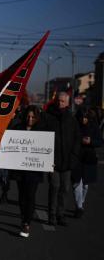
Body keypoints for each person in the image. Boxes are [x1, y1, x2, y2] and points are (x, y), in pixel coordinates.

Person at [9, 105, 46, 237]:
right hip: (20, 169)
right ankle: (23, 216)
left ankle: (26, 223)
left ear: (37, 118)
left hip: (34, 170)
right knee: (21, 196)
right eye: (28, 116)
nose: (30, 119)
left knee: (30, 196)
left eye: (33, 117)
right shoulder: (17, 128)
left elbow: (46, 150)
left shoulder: (42, 130)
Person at [45, 91, 80, 226]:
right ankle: (52, 215)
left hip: (67, 162)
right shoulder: (49, 117)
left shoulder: (72, 119)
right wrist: (46, 159)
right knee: (54, 187)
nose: (60, 103)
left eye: (63, 101)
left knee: (64, 189)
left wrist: (74, 157)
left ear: (67, 103)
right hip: (52, 161)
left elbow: (77, 140)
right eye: (58, 101)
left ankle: (61, 214)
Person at [72, 109, 101, 218]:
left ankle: (81, 202)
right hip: (77, 157)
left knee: (85, 185)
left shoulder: (94, 126)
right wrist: (80, 140)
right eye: (81, 117)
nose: (83, 119)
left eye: (85, 117)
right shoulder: (75, 126)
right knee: (76, 183)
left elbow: (100, 142)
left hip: (89, 158)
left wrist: (91, 141)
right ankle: (79, 206)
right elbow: (71, 139)